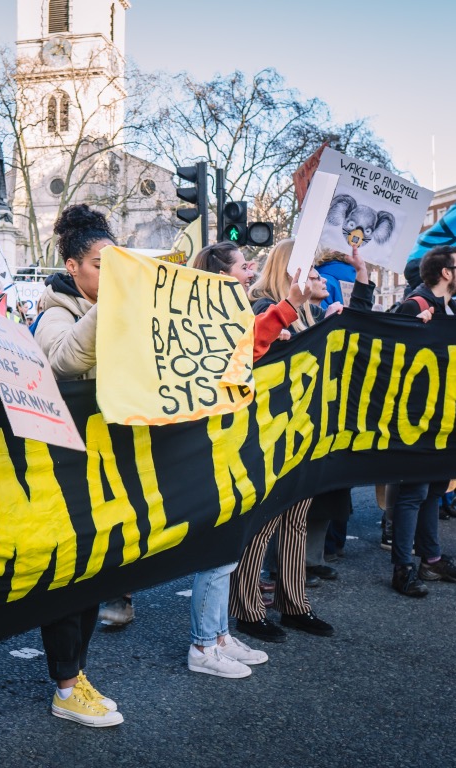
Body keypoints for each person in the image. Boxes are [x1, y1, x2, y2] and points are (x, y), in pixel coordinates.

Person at [30, 204, 124, 725]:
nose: (107, 274)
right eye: (97, 264)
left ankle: (77, 675)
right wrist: (109, 306)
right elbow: (63, 361)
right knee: (71, 580)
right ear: (73, 267)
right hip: (65, 469)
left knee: (91, 579)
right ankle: (66, 687)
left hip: (103, 464)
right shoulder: (55, 311)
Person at [227, 239, 336, 642]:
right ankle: (248, 608)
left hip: (305, 430)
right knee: (266, 520)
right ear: (292, 272)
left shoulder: (313, 313)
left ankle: (294, 604)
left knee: (295, 520)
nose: (319, 278)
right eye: (312, 271)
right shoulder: (263, 309)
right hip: (271, 433)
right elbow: (248, 360)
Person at [177, 242, 274, 676]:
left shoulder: (232, 313)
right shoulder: (209, 319)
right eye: (243, 264)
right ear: (222, 274)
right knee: (216, 553)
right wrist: (287, 310)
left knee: (227, 551)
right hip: (209, 445)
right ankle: (202, 647)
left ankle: (217, 635)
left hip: (230, 442)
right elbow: (237, 358)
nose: (251, 269)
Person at [387, 246, 456, 597]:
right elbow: (390, 352)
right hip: (417, 417)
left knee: (436, 489)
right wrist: (413, 331)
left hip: (446, 414)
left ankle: (431, 558)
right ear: (445, 273)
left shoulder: (451, 308)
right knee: (414, 492)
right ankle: (402, 567)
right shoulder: (415, 305)